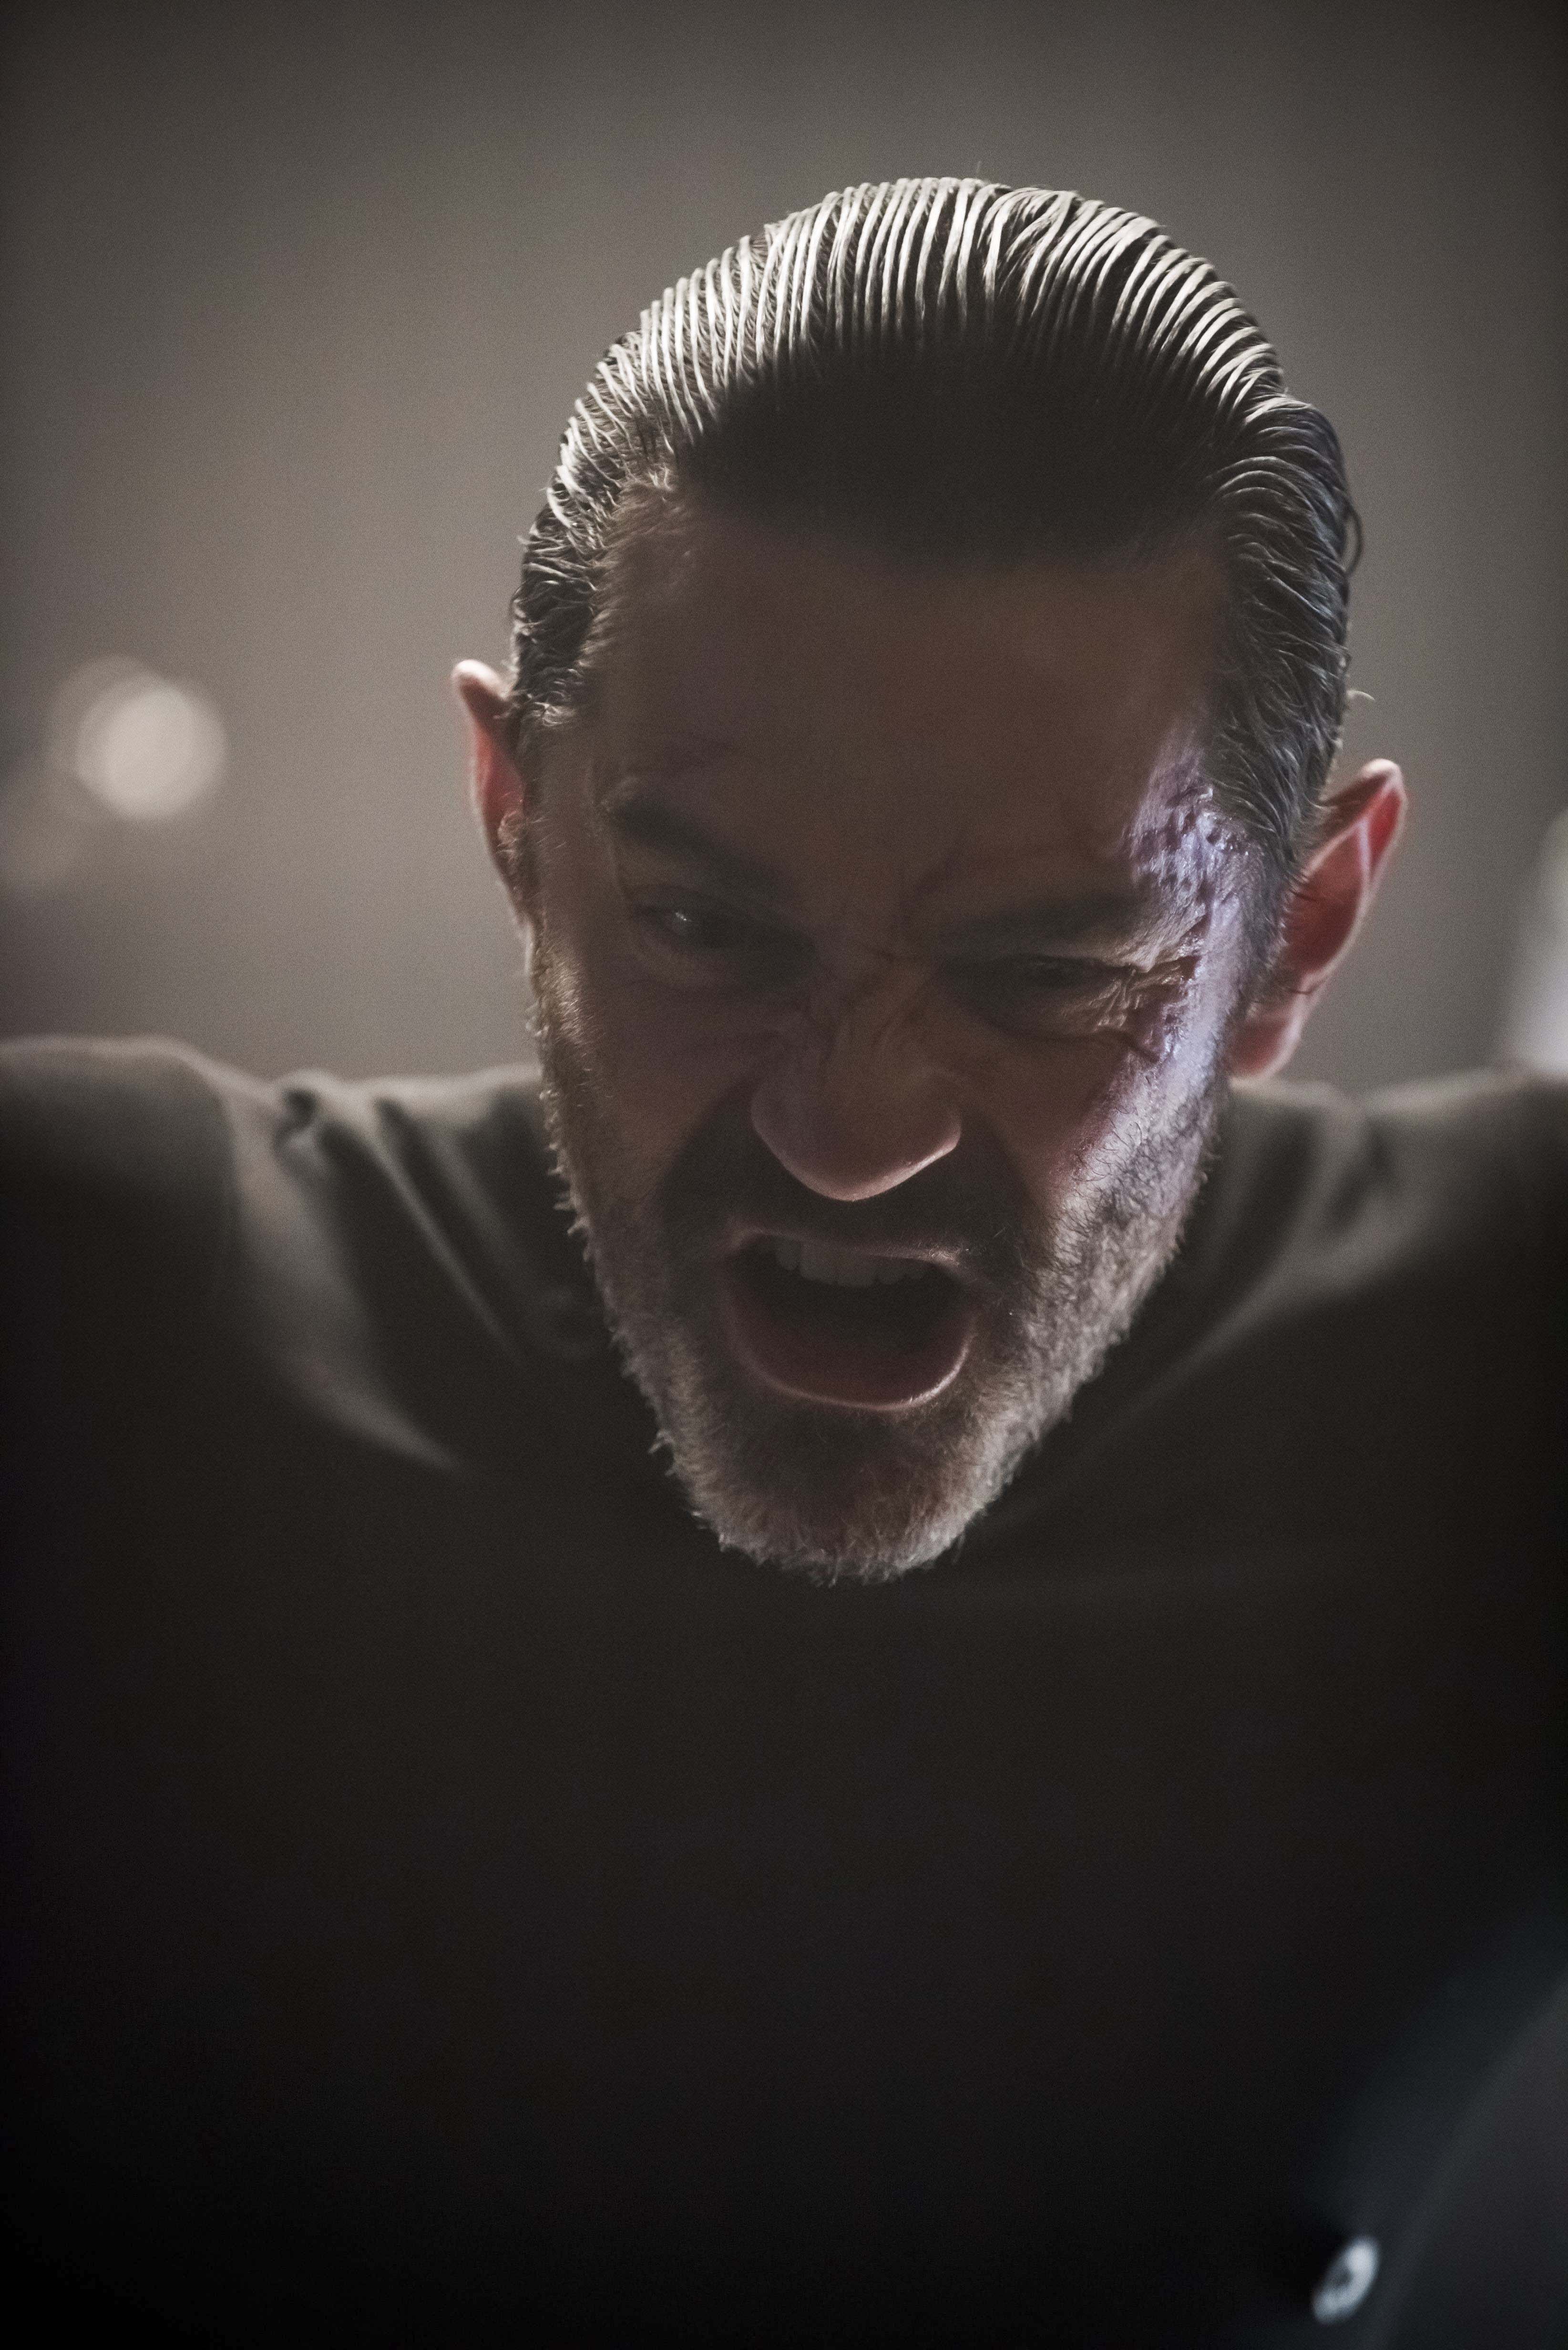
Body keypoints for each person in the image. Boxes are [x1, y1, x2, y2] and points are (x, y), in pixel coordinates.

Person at [1, 180, 1563, 2347]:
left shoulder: (1507, 1393)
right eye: (703, 929)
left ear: (1296, 932)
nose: (848, 1132)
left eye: (1045, 972)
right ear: (516, 821)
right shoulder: (82, 1324)